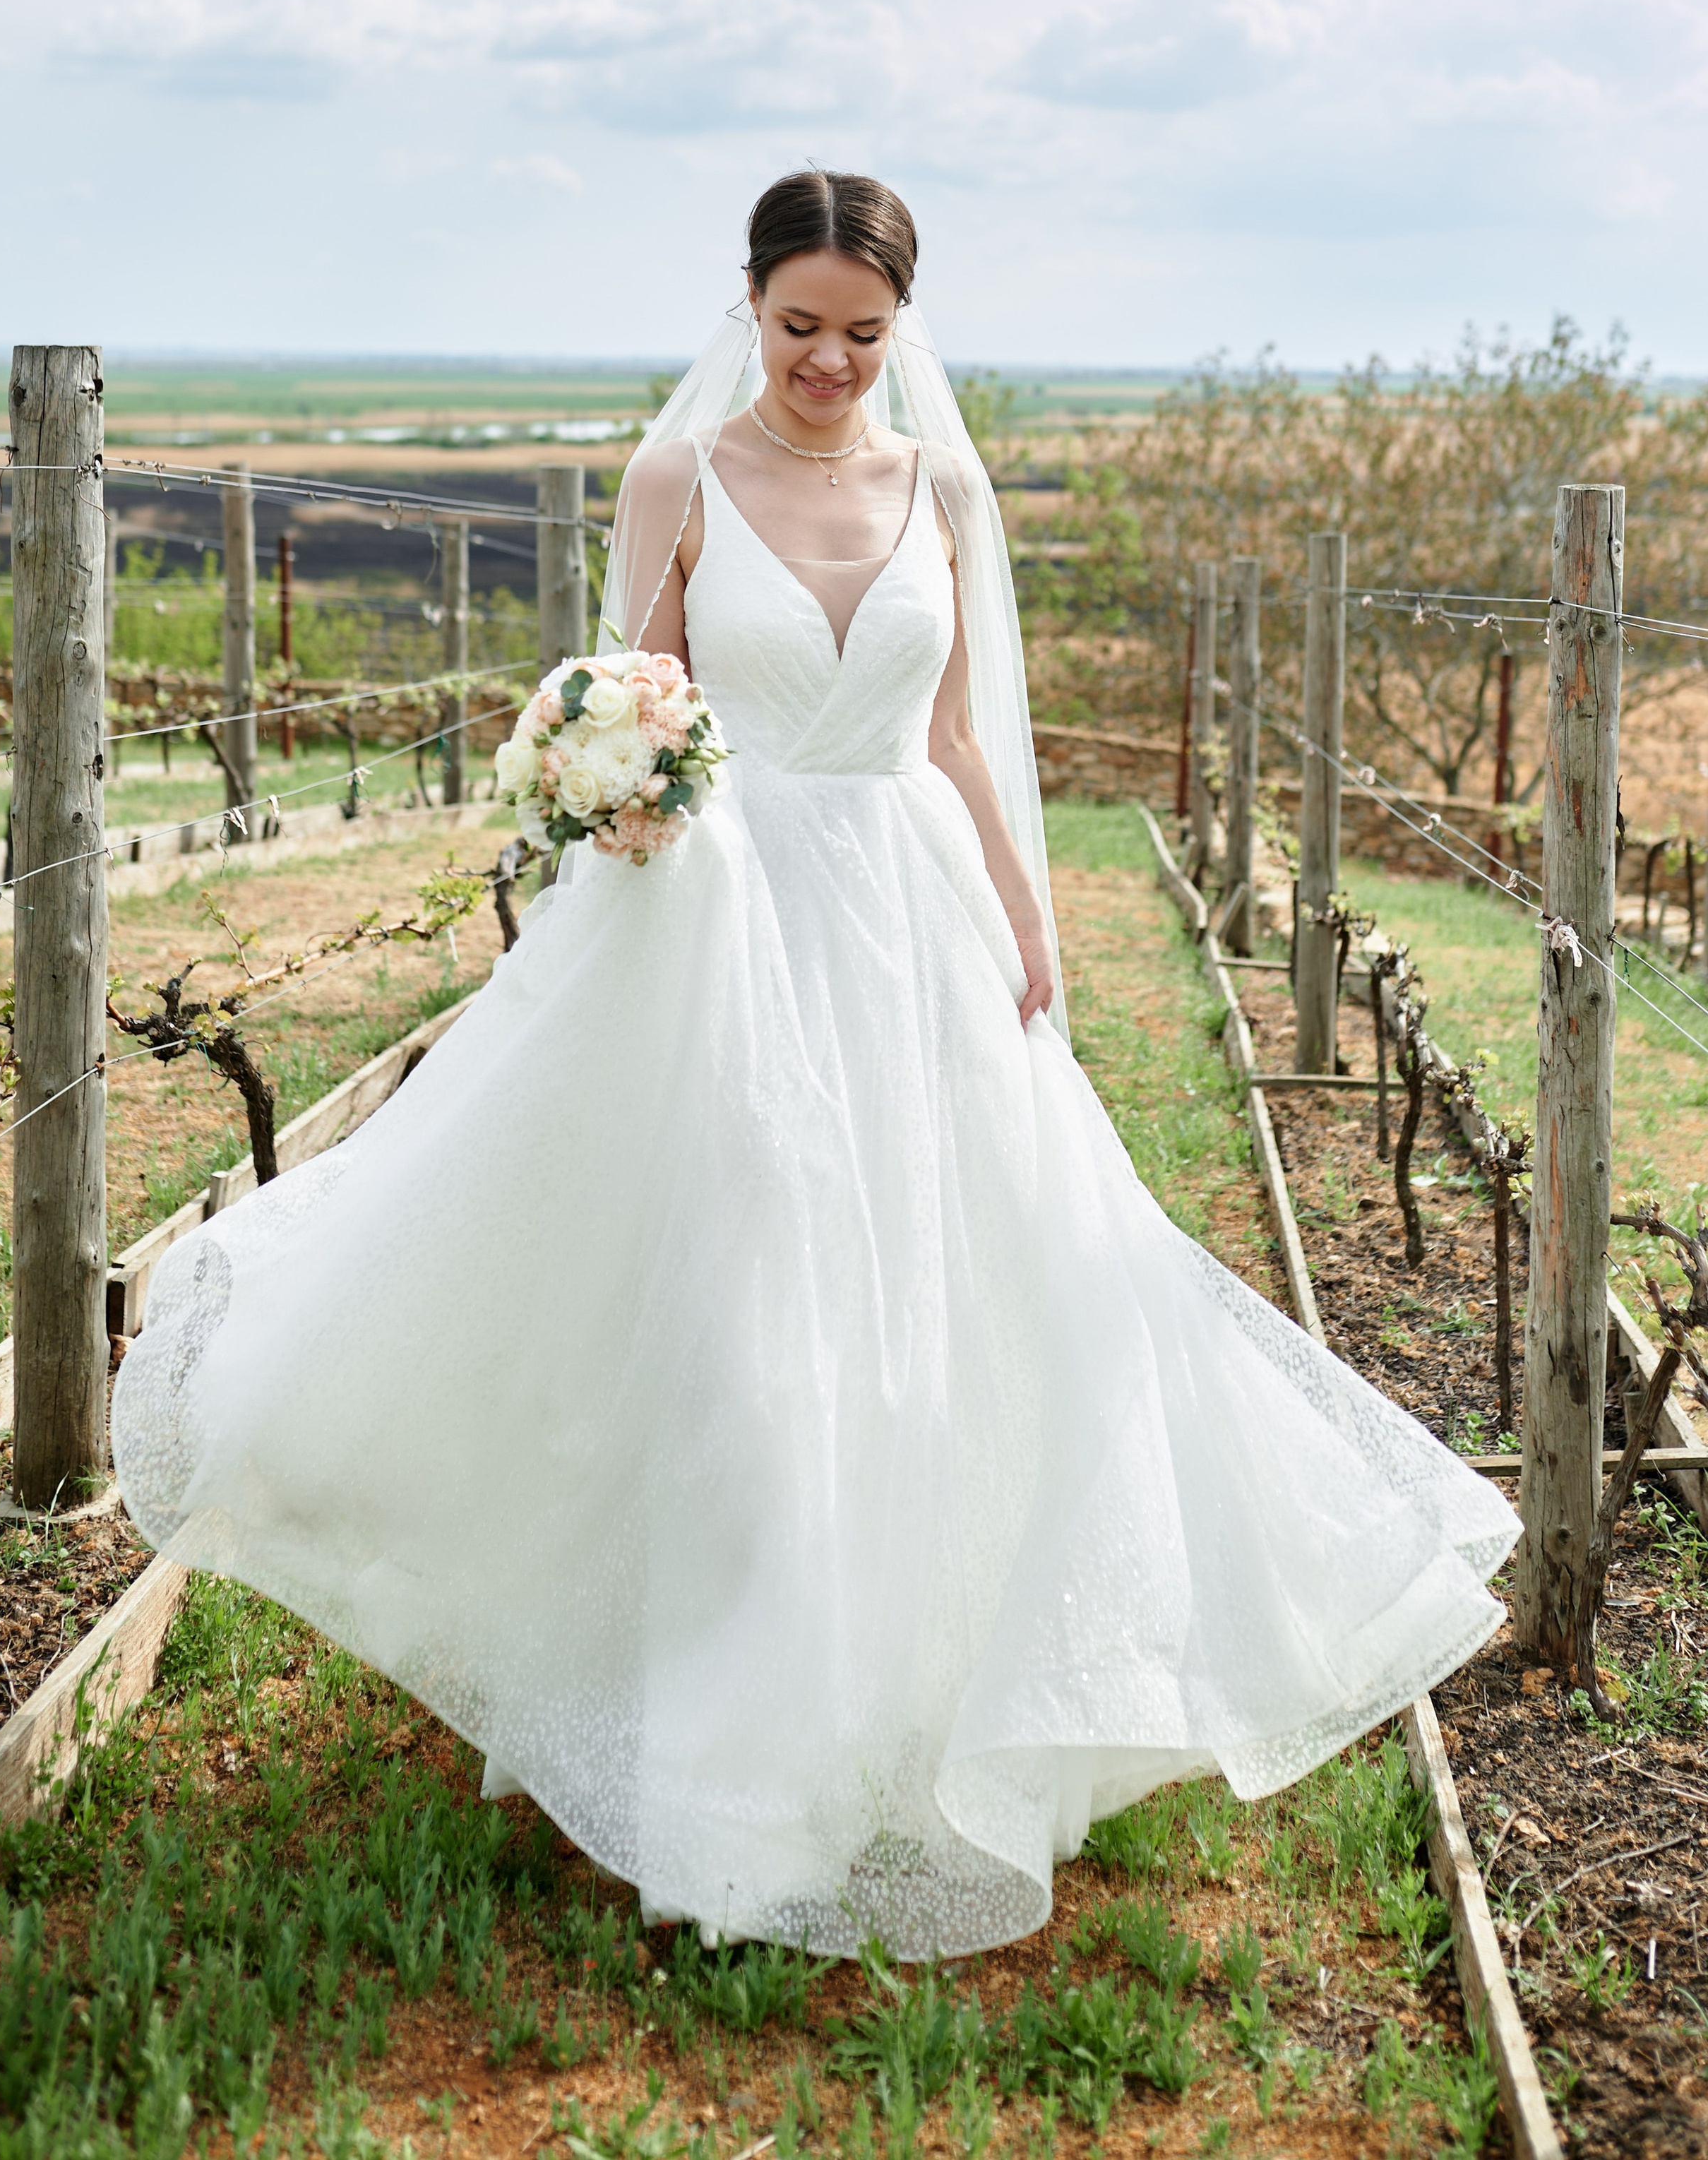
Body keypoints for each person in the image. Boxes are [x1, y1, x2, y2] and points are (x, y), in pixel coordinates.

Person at [113, 169, 1516, 1960]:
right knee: (748, 1306)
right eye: (797, 328)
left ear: (898, 329)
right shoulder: (676, 478)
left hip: (912, 910)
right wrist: (599, 797)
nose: (827, 364)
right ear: (749, 309)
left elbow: (945, 731)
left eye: (863, 333)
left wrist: (1028, 918)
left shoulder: (943, 484)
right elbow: (641, 697)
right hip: (725, 921)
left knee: (968, 1295)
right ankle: (723, 1753)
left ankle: (920, 1696)